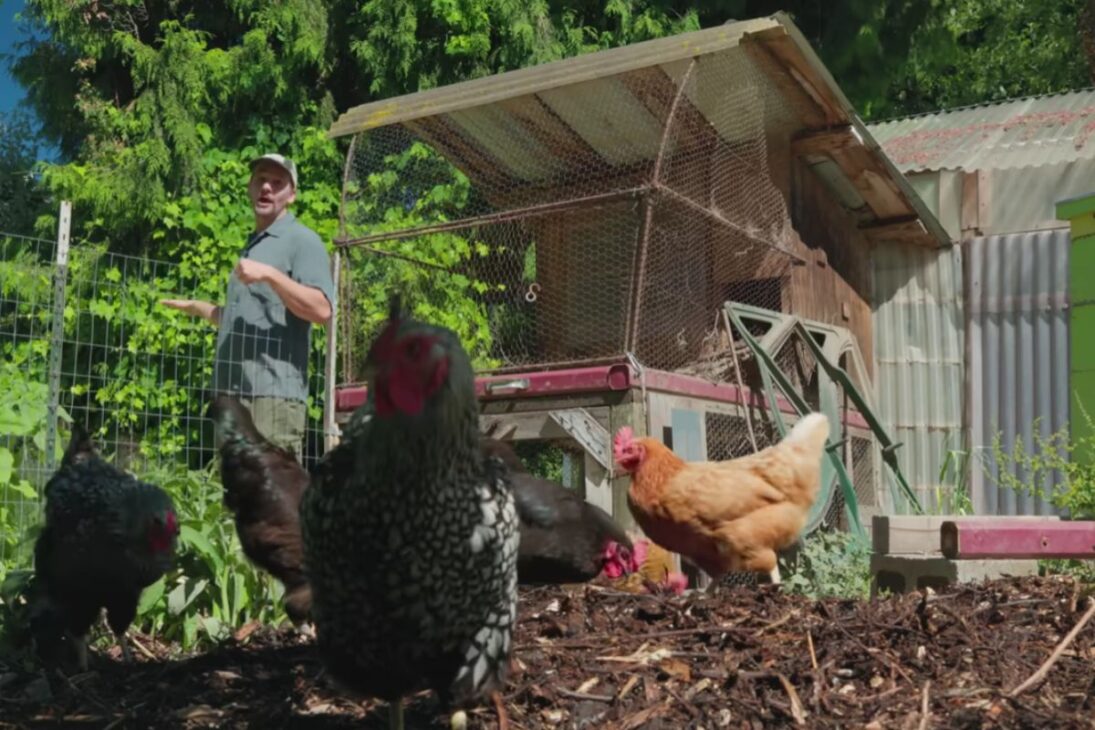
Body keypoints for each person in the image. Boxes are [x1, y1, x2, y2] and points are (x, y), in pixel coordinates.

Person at [162, 153, 335, 462]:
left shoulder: (302, 240)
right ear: (249, 187)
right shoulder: (254, 244)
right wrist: (199, 308)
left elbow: (322, 310)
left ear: (291, 195)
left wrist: (270, 275)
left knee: (271, 505)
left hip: (272, 399)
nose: (266, 187)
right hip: (232, 398)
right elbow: (250, 319)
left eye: (277, 182)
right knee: (238, 505)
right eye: (260, 179)